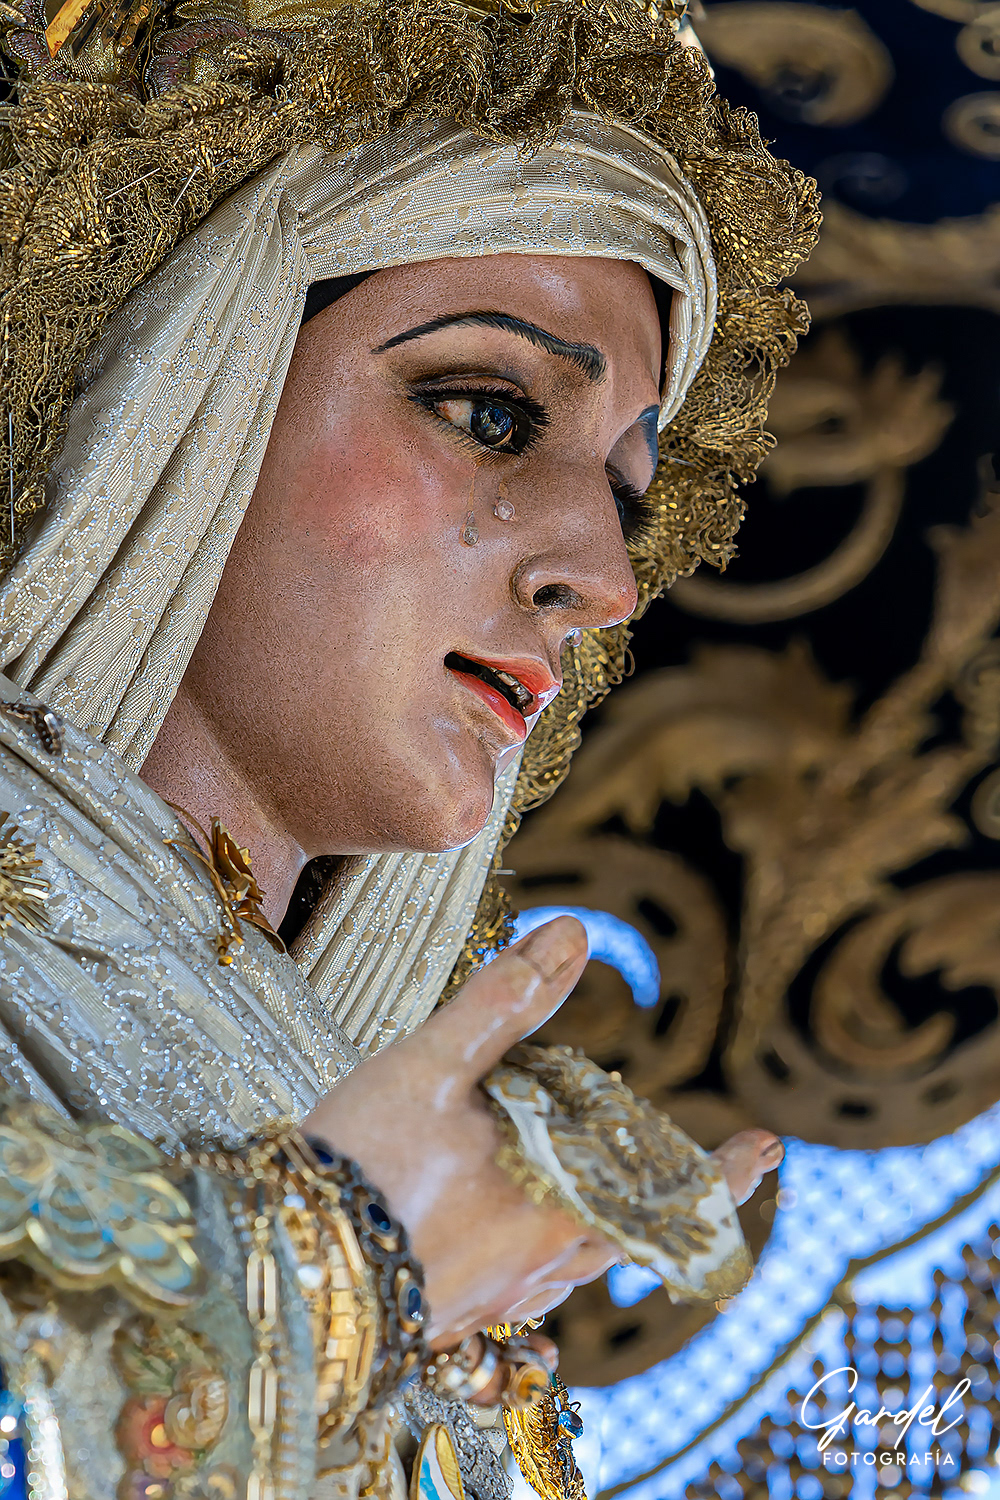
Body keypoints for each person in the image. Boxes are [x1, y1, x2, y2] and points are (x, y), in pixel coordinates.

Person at [0, 0, 818, 1494]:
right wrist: (325, 1284)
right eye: (492, 414)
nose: (603, 577)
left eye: (625, 497)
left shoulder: (382, 1136)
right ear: (186, 369)